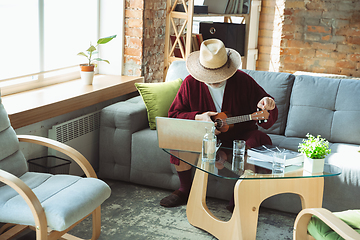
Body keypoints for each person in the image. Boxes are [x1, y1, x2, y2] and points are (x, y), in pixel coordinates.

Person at [160, 39, 278, 210]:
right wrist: (198, 117)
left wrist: (268, 104)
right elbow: (174, 115)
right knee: (180, 140)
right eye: (209, 74)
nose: (214, 79)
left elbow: (266, 112)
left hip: (240, 135)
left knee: (252, 144)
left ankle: (238, 197)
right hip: (204, 135)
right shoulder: (190, 83)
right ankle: (184, 189)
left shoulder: (244, 81)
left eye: (219, 74)